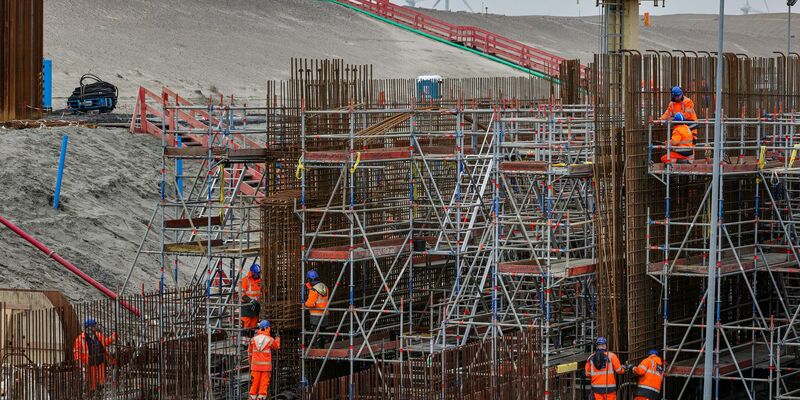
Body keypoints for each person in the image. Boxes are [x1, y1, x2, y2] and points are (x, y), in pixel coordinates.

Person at [73, 318, 117, 398]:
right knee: (92, 385)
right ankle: (92, 395)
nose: (95, 328)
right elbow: (77, 353)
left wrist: (112, 338)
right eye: (93, 326)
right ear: (89, 327)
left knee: (102, 382)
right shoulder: (79, 339)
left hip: (100, 363)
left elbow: (105, 343)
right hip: (90, 365)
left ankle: (100, 394)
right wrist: (80, 365)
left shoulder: (98, 335)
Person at [247, 320, 280, 400]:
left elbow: (250, 353)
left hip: (255, 367)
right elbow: (276, 346)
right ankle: (261, 398)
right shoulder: (270, 340)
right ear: (267, 328)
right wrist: (278, 338)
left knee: (254, 384)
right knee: (263, 386)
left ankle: (252, 398)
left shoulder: (253, 340)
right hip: (266, 368)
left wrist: (251, 363)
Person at [304, 269, 329, 347]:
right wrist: (309, 287)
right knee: (322, 333)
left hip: (316, 316)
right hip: (325, 314)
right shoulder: (324, 287)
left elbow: (310, 304)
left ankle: (316, 350)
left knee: (315, 334)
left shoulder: (313, 290)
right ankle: (321, 348)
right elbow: (319, 296)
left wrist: (304, 304)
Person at [241, 263, 263, 331]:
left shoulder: (260, 281)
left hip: (256, 305)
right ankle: (244, 339)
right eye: (257, 274)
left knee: (254, 324)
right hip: (246, 305)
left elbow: (263, 292)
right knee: (246, 323)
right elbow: (242, 294)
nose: (258, 275)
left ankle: (251, 338)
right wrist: (250, 301)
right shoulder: (245, 280)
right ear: (252, 273)